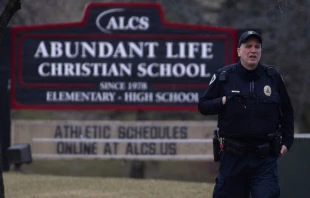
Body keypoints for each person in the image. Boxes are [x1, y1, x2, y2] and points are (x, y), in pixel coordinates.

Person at [198, 30, 294, 198]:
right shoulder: (224, 76)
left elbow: (286, 111)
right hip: (233, 158)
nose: (253, 50)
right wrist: (223, 101)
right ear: (238, 51)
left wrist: (287, 141)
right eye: (248, 46)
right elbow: (203, 106)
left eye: (257, 47)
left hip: (264, 159)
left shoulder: (272, 77)